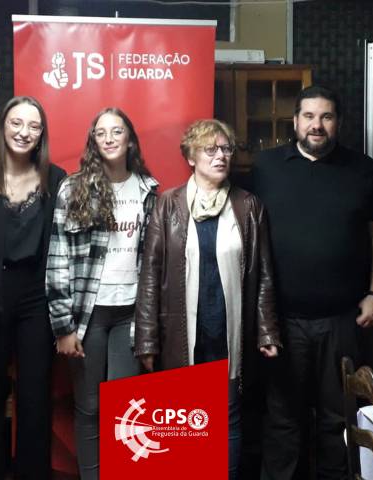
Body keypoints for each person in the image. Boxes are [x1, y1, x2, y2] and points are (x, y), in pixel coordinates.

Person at [252, 86, 373, 479]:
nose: (317, 125)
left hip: (342, 320)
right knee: (282, 420)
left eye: (326, 117)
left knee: (338, 419)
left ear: (338, 123)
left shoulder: (363, 169)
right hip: (282, 321)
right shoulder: (265, 167)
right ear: (295, 121)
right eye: (309, 116)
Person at [134, 119, 281, 479]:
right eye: (210, 149)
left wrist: (267, 332)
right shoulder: (167, 205)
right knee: (184, 420)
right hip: (181, 334)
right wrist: (147, 340)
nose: (220, 156)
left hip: (228, 332)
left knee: (228, 418)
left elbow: (264, 274)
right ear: (191, 157)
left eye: (225, 149)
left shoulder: (248, 206)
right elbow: (150, 275)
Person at [46, 107, 158, 480]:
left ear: (130, 139)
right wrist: (63, 326)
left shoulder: (148, 190)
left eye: (117, 131)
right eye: (101, 133)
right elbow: (58, 258)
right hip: (88, 314)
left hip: (130, 313)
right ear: (93, 141)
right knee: (90, 406)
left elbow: (153, 263)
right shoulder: (73, 188)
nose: (109, 138)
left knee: (126, 410)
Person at [0, 96, 66, 479]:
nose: (24, 132)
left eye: (34, 126)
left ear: (42, 134)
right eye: (16, 123)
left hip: (36, 298)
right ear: (2, 127)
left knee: (35, 396)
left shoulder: (56, 179)